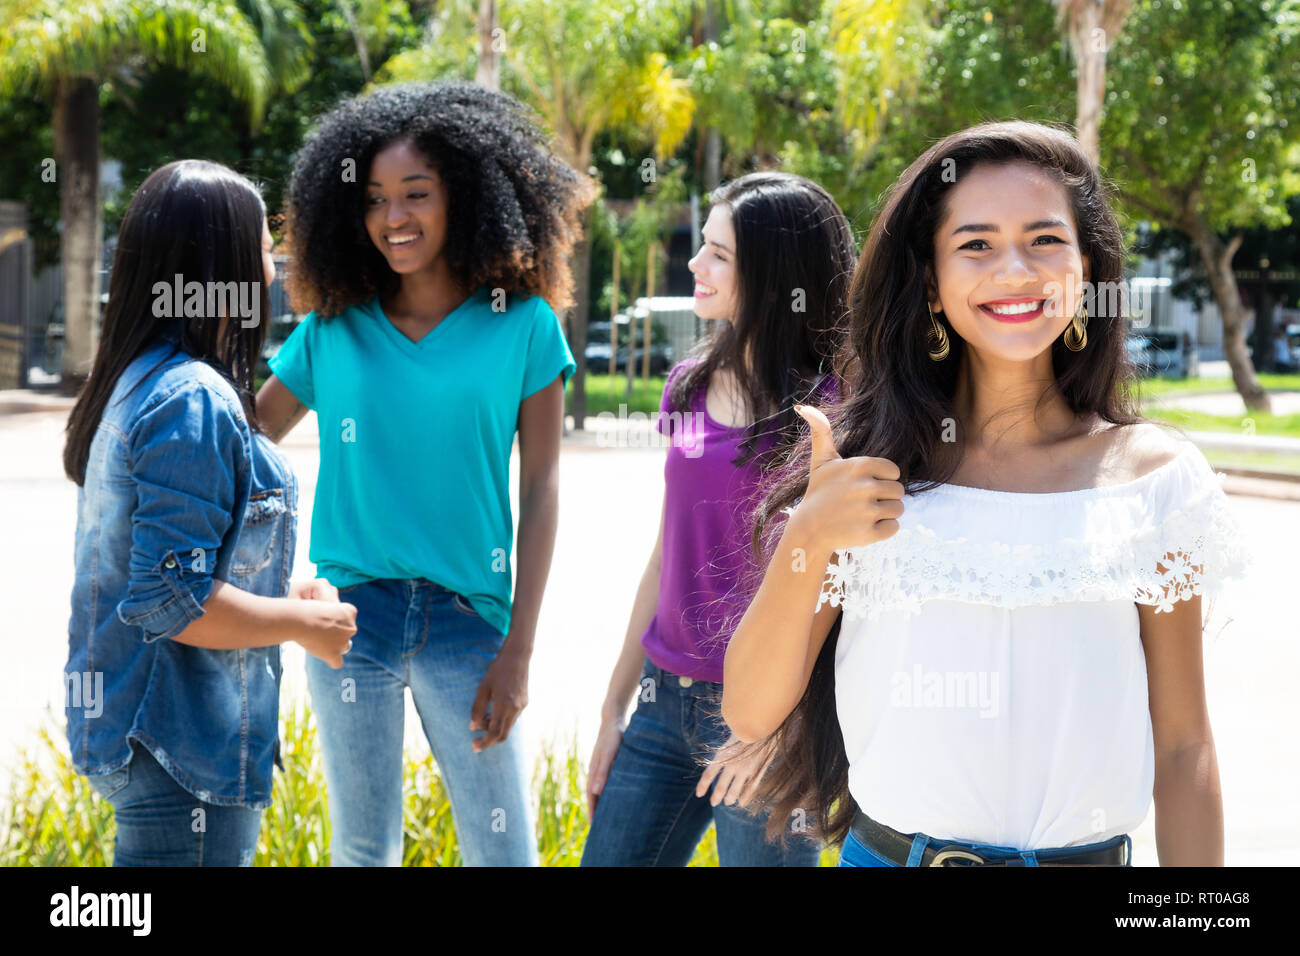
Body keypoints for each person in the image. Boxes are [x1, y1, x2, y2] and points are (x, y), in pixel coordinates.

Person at [720, 121, 1253, 868]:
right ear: (931, 284)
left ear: (1088, 270)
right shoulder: (867, 470)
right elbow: (749, 710)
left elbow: (1186, 746)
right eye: (975, 244)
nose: (1014, 269)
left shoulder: (1155, 481)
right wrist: (809, 535)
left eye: (1045, 240)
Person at [256, 82, 593, 866]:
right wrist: (280, 587)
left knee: (504, 852)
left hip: (469, 624)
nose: (393, 218)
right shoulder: (332, 326)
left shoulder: (524, 324)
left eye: (416, 194)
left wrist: (519, 652)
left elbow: (541, 491)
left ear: (465, 198)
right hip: (352, 621)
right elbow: (244, 445)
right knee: (363, 851)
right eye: (373, 199)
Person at [62, 160, 356, 867]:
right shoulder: (191, 397)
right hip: (179, 745)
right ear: (217, 263)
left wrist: (282, 597)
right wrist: (304, 625)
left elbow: (182, 569)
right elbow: (172, 602)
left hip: (147, 732)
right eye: (261, 248)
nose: (273, 268)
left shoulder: (140, 380)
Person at [580, 173, 853, 866]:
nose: (695, 265)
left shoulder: (837, 409)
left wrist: (785, 731)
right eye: (702, 247)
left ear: (774, 273)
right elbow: (666, 552)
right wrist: (616, 707)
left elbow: (844, 586)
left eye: (719, 254)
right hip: (661, 701)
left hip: (771, 721)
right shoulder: (690, 383)